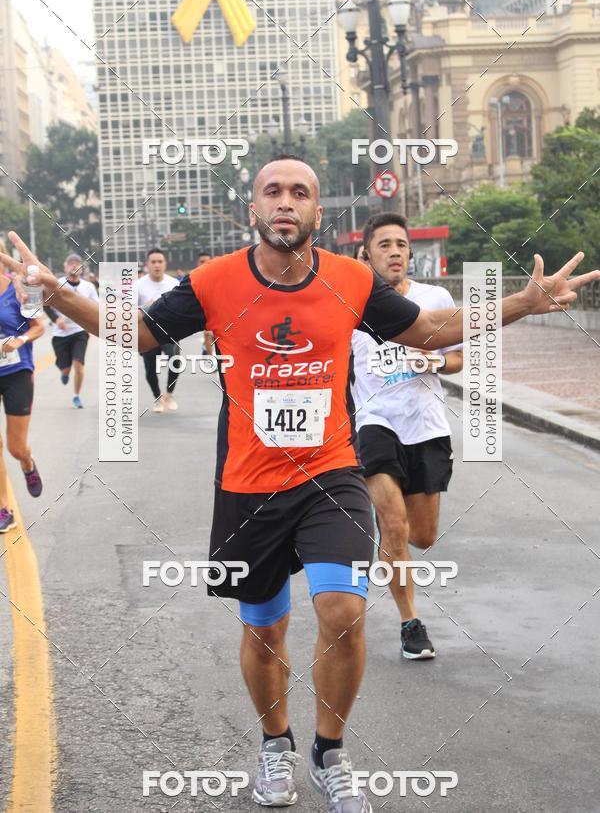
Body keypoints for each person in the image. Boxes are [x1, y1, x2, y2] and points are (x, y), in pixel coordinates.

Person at [2, 156, 597, 813]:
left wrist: (521, 304)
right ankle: (275, 744)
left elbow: (428, 330)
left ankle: (329, 753)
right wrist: (57, 293)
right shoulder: (213, 281)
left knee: (343, 611)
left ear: (317, 211)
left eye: (300, 193)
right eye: (273, 191)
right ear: (253, 209)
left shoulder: (351, 280)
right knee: (266, 629)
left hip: (331, 475)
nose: (286, 202)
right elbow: (139, 333)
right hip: (247, 485)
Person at [352, 213, 463, 660]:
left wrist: (431, 360)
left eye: (401, 244)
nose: (395, 252)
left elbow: (458, 358)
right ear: (367, 255)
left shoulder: (434, 298)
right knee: (396, 527)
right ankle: (410, 623)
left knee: (423, 536)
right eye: (384, 245)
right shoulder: (351, 305)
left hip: (427, 426)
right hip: (375, 423)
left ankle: (391, 531)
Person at [0, 238, 44, 532]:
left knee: (16, 448)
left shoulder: (22, 287)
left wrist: (21, 339)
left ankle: (27, 463)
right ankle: (4, 509)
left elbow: (39, 327)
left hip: (17, 371)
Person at [45, 253, 98, 409]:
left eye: (77, 263)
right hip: (60, 333)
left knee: (78, 364)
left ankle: (76, 396)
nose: (74, 266)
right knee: (66, 368)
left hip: (80, 331)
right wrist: (56, 319)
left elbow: (96, 307)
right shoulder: (57, 284)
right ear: (65, 267)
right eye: (70, 263)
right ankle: (65, 372)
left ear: (81, 268)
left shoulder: (88, 287)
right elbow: (46, 305)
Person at [136, 248, 180, 413]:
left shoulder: (174, 283)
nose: (157, 265)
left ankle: (169, 393)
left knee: (175, 361)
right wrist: (146, 307)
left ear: (165, 264)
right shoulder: (138, 285)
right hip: (147, 333)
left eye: (160, 262)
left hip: (169, 331)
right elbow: (128, 310)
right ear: (147, 265)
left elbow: (181, 307)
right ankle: (157, 398)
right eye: (153, 262)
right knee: (150, 368)